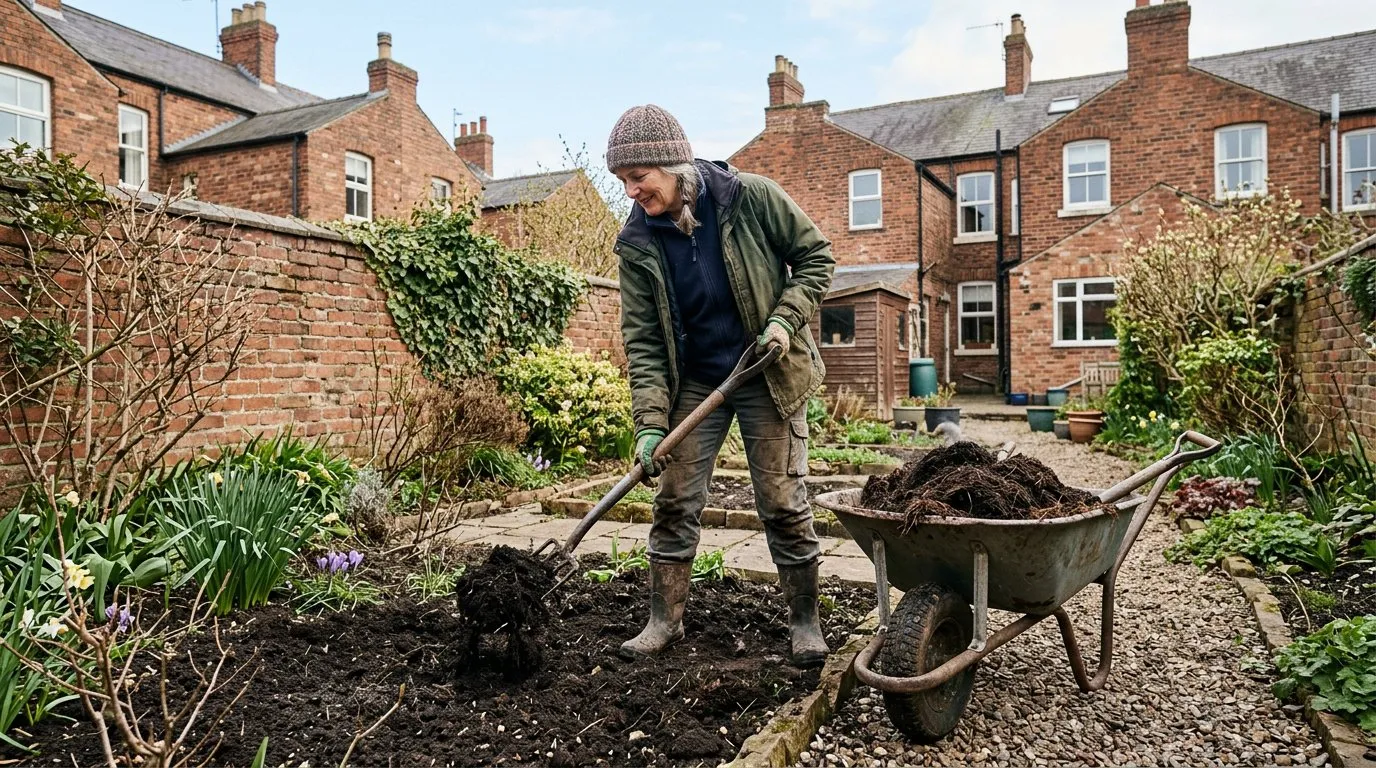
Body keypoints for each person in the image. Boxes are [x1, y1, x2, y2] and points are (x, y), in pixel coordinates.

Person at [606, 104, 835, 667]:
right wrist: (651, 425)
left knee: (781, 501)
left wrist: (784, 318)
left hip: (765, 368)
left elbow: (816, 259)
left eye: (639, 178)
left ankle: (804, 622)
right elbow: (644, 343)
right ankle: (665, 621)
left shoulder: (748, 197)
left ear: (674, 165)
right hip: (698, 379)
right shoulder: (637, 243)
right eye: (623, 181)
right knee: (675, 498)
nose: (632, 191)